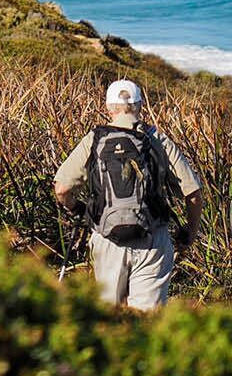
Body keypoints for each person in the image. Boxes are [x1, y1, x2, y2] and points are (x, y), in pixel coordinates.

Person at [52, 78, 204, 312]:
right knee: (146, 321)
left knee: (109, 317)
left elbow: (61, 188)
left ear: (109, 108)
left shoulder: (95, 139)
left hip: (107, 239)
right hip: (152, 239)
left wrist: (79, 210)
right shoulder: (156, 139)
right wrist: (190, 232)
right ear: (140, 105)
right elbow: (193, 192)